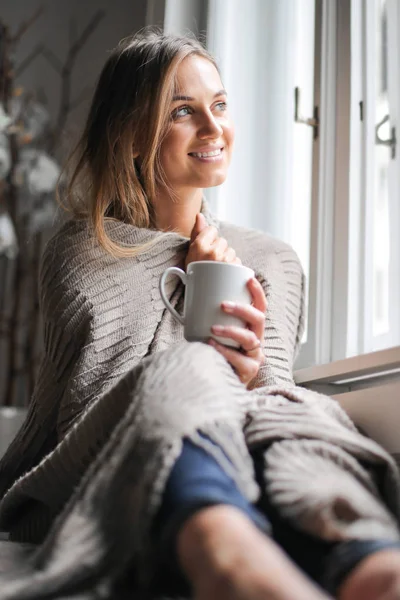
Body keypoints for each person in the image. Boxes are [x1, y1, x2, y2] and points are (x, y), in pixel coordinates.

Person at [0, 29, 399, 600]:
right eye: (183, 111)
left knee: (305, 416)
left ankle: (367, 559)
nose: (215, 130)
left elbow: (272, 402)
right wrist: (204, 341)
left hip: (250, 445)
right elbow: (104, 408)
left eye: (220, 105)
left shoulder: (272, 260)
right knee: (186, 373)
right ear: (134, 135)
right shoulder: (86, 249)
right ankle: (221, 550)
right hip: (125, 460)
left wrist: (249, 367)